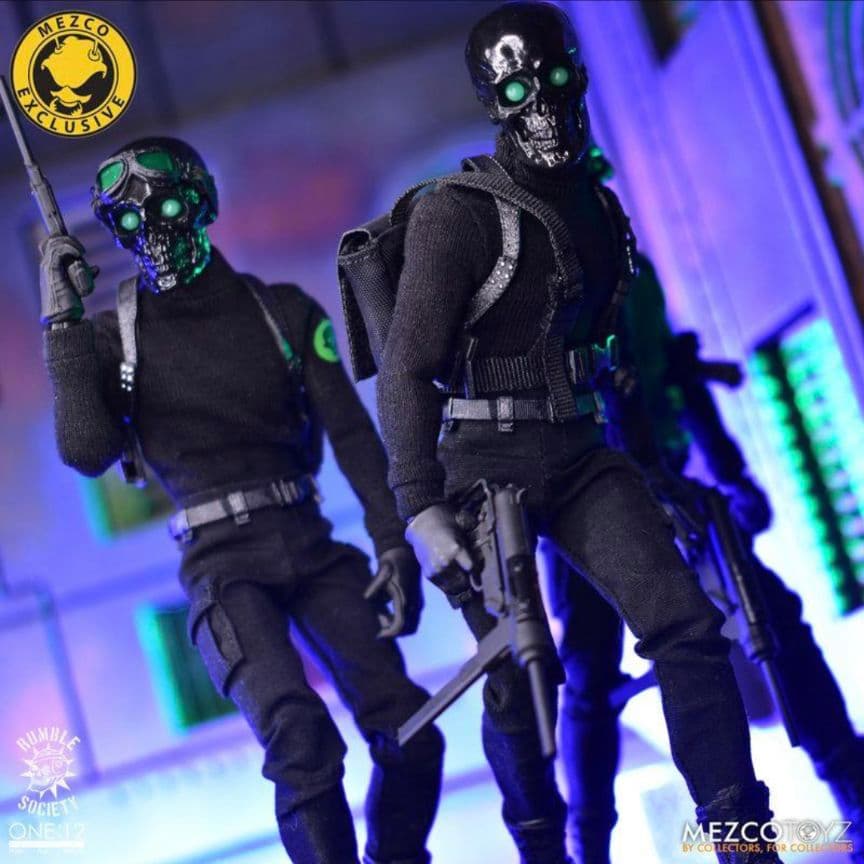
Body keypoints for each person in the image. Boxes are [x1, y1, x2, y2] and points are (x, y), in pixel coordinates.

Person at [376, 5, 784, 863]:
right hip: (482, 467)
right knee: (518, 670)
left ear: (581, 78)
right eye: (519, 91)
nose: (545, 105)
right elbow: (407, 367)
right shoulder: (458, 215)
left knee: (688, 627)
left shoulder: (599, 209)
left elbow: (617, 359)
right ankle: (545, 852)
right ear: (492, 102)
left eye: (559, 80)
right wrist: (419, 506)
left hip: (581, 451)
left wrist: (660, 469)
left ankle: (743, 841)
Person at [39, 136, 443, 864]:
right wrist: (62, 323)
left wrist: (394, 540)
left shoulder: (281, 312)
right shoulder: (113, 339)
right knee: (300, 739)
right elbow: (87, 451)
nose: (153, 231)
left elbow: (354, 436)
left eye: (168, 208)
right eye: (129, 221)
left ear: (202, 205)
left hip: (310, 544)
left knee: (410, 726)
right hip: (222, 568)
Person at [547, 183, 864, 862]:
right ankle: (585, 848)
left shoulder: (630, 273)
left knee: (776, 619)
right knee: (589, 677)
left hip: (665, 479)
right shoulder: (532, 292)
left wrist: (729, 470)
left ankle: (853, 791)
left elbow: (674, 370)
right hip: (580, 499)